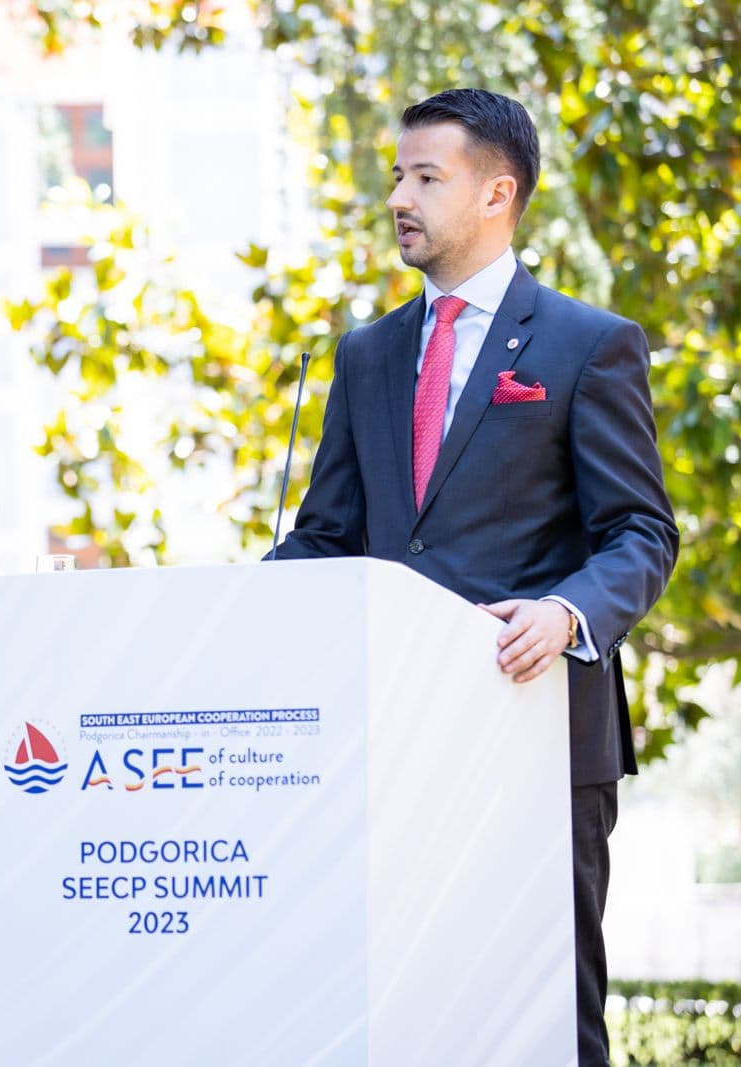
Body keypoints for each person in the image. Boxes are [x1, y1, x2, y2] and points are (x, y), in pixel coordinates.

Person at [268, 89, 677, 1065]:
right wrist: (230, 609)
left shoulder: (589, 344)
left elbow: (640, 531)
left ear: (498, 194)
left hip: (537, 728)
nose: (398, 199)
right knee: (406, 1011)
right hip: (391, 737)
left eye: (425, 177)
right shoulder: (365, 354)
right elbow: (326, 537)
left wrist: (567, 611)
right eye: (396, 176)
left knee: (549, 1019)